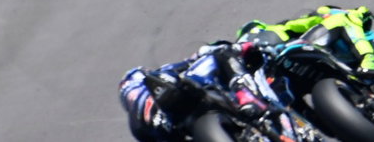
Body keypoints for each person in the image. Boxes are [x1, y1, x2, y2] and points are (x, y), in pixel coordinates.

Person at [118, 41, 275, 141]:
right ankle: (246, 96)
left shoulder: (135, 125)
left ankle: (245, 99)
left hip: (182, 121)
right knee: (221, 55)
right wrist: (240, 47)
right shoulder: (162, 72)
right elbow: (207, 54)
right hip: (191, 94)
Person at [236, 5, 374, 77]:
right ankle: (368, 58)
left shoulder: (243, 59)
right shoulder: (276, 29)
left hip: (283, 77)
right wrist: (360, 12)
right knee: (340, 19)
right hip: (297, 56)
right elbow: (312, 20)